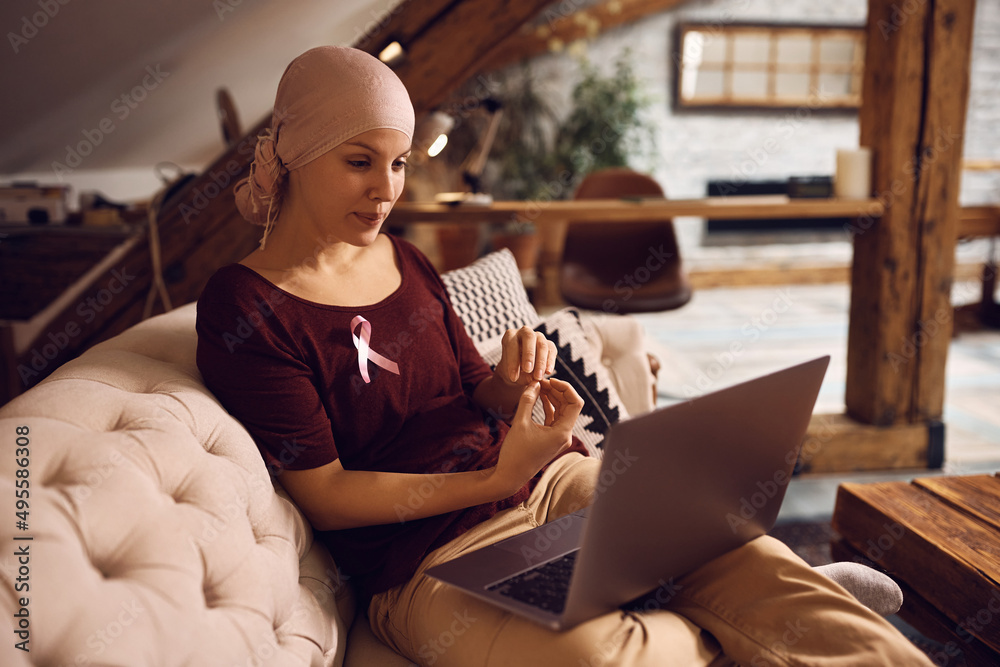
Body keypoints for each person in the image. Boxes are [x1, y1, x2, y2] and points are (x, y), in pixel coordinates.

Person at [195, 46, 933, 666]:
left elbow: (472, 388)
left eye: (399, 162)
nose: (387, 188)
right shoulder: (247, 306)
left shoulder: (404, 258)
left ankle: (781, 602)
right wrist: (495, 474)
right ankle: (745, 625)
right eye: (361, 161)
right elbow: (325, 492)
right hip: (422, 559)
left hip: (550, 482)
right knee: (594, 657)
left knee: (738, 543)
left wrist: (507, 390)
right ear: (295, 153)